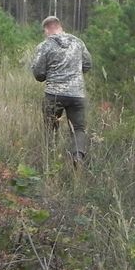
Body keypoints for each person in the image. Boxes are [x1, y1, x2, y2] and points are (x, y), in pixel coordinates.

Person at [30, 15, 92, 165]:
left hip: (54, 94)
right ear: (60, 26)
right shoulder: (77, 42)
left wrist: (49, 75)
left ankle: (50, 160)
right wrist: (74, 74)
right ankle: (78, 157)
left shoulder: (44, 46)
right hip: (77, 94)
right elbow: (88, 64)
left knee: (51, 128)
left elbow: (38, 74)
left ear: (47, 29)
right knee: (78, 128)